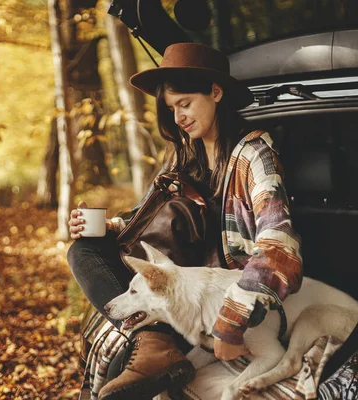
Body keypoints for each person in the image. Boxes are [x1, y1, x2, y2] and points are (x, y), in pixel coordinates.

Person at [67, 42, 302, 399]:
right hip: (175, 292)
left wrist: (231, 322)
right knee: (83, 249)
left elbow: (278, 247)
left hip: (215, 299)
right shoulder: (183, 155)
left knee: (123, 374)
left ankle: (154, 348)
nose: (178, 118)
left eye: (185, 104)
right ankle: (153, 343)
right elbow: (147, 220)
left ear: (216, 92)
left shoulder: (254, 154)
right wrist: (107, 227)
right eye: (172, 108)